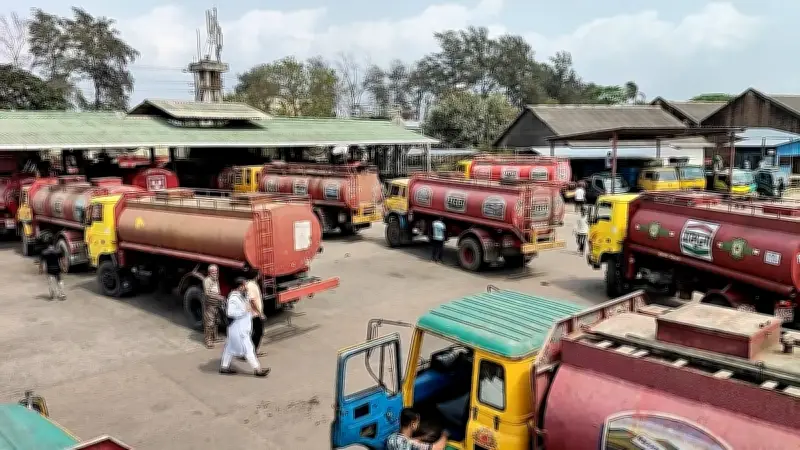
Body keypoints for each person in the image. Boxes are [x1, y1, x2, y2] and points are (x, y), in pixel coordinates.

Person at [220, 278, 270, 377]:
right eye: (244, 285)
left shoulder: (243, 295)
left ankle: (224, 367)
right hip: (238, 330)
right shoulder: (233, 298)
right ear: (239, 287)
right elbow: (230, 313)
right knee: (249, 349)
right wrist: (244, 311)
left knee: (229, 348)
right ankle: (258, 369)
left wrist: (256, 314)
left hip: (241, 329)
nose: (246, 287)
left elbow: (248, 308)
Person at [202, 265, 224, 349]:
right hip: (210, 305)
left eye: (216, 271)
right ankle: (208, 340)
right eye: (213, 271)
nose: (215, 273)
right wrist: (218, 297)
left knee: (216, 321)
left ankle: (215, 337)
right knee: (209, 323)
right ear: (209, 272)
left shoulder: (216, 280)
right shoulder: (207, 280)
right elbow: (207, 293)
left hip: (216, 304)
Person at [246, 277, 266, 356]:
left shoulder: (251, 284)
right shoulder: (251, 285)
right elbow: (252, 301)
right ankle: (251, 351)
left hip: (253, 313)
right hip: (254, 314)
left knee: (255, 332)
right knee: (258, 332)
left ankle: (253, 351)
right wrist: (260, 313)